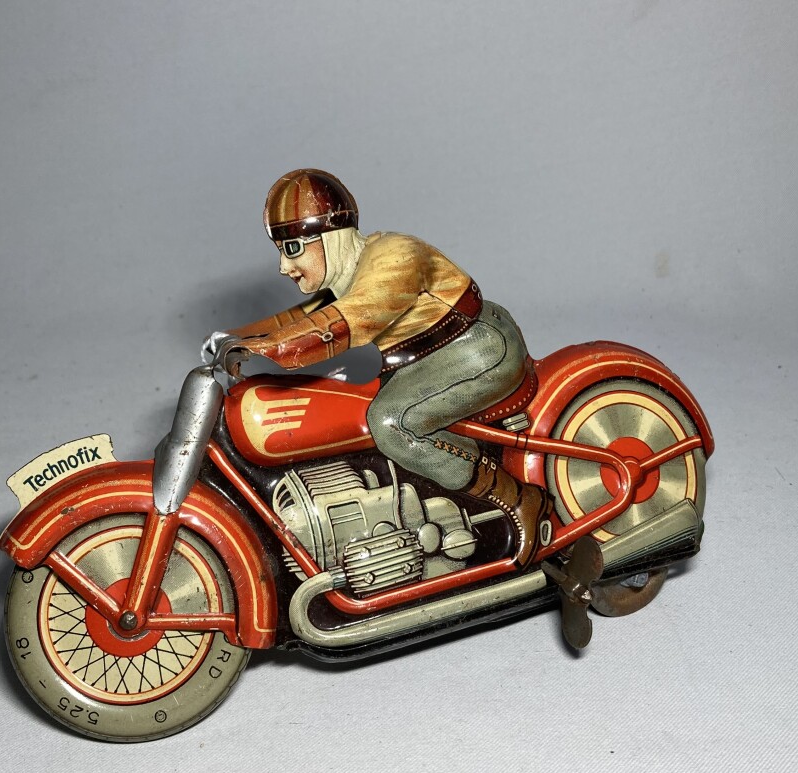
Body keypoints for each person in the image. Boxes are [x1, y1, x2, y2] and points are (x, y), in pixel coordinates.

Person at [215, 169, 550, 568]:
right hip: (425, 362)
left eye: (292, 248)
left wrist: (272, 347)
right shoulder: (349, 273)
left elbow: (350, 318)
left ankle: (519, 498)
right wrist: (235, 338)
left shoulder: (394, 257)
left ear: (330, 235)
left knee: (391, 423)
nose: (284, 267)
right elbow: (302, 317)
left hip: (477, 351)